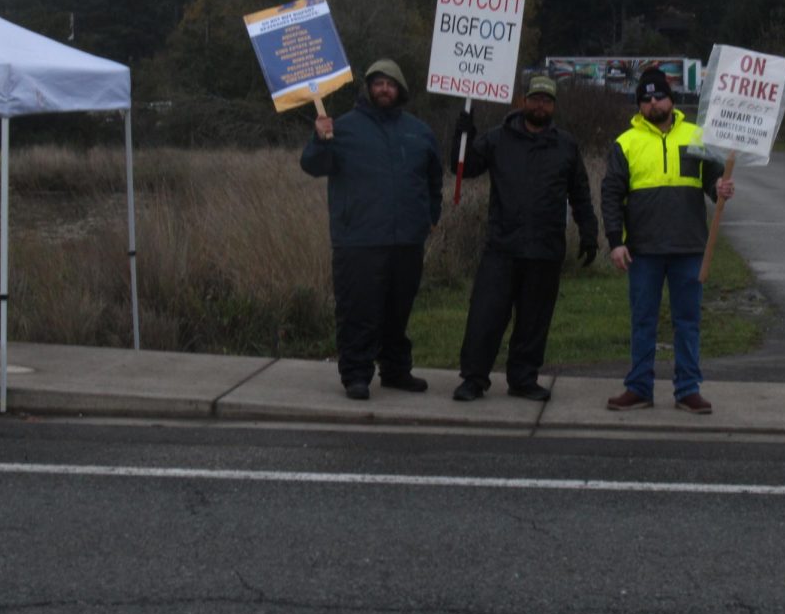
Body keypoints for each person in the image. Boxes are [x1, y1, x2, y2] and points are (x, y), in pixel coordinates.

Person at [300, 58, 443, 401]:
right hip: (358, 240)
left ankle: (395, 371)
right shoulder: (341, 128)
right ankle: (356, 375)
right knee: (358, 311)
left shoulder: (419, 131)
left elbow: (433, 180)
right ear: (368, 87)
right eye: (377, 82)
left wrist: (429, 218)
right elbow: (313, 165)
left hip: (407, 240)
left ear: (401, 90)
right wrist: (320, 140)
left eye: (390, 84)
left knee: (398, 310)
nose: (384, 88)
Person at [450, 75, 599, 402]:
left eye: (546, 100)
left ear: (553, 106)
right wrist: (464, 131)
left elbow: (581, 194)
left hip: (545, 249)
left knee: (534, 320)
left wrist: (589, 231)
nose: (540, 105)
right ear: (524, 101)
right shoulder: (497, 138)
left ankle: (523, 378)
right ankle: (474, 379)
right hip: (502, 247)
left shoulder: (566, 145)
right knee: (485, 316)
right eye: (535, 98)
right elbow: (464, 168)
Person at [599, 67, 734, 414]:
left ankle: (688, 389)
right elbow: (611, 194)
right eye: (645, 98)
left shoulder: (696, 136)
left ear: (672, 99)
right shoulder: (625, 143)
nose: (653, 102)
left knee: (687, 321)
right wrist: (616, 241)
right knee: (642, 320)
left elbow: (712, 180)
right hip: (643, 251)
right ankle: (639, 388)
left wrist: (719, 188)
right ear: (639, 105)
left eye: (658, 95)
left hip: (689, 247)